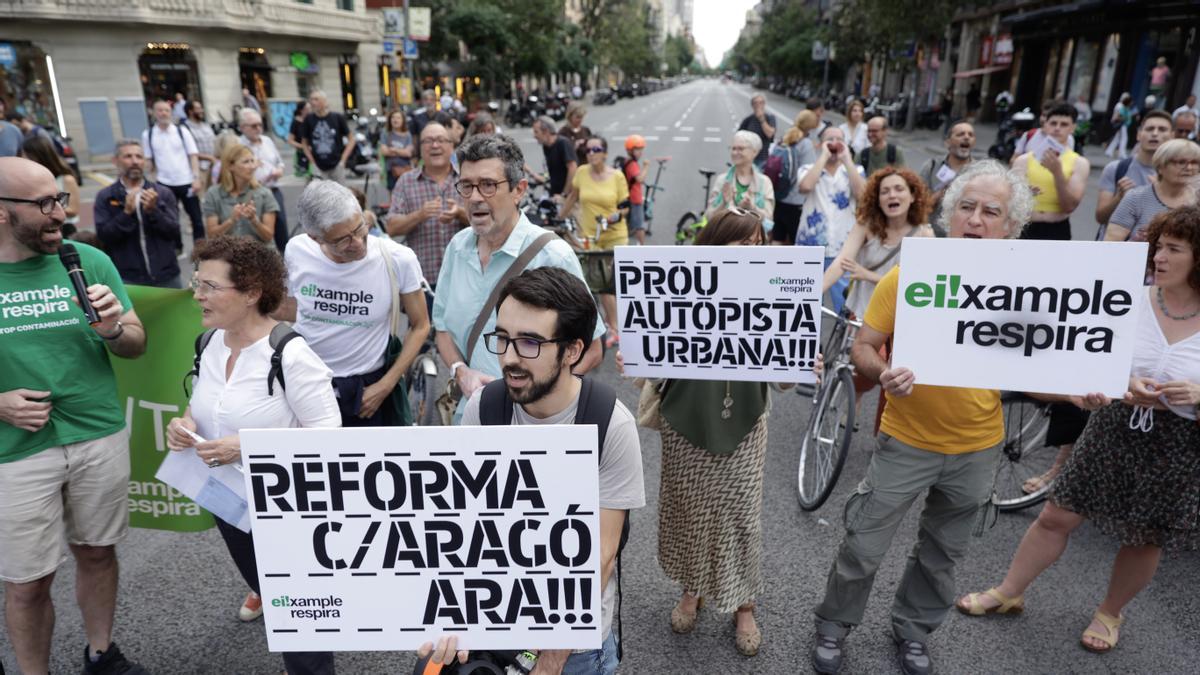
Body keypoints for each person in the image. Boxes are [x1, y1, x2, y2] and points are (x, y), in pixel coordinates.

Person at [809, 159, 1034, 675]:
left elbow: (1044, 367)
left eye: (991, 212)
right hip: (907, 439)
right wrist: (882, 371)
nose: (975, 220)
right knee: (864, 543)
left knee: (943, 552)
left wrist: (1079, 395)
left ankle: (913, 630)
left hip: (977, 447)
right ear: (951, 216)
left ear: (1011, 228)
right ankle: (834, 624)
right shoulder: (908, 277)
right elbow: (864, 347)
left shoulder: (1026, 291)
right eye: (967, 208)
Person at [956, 205, 1200, 654]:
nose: (1159, 257)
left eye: (1173, 249)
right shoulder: (1132, 297)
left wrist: (1196, 395)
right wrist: (1123, 382)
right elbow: (1093, 352)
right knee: (1057, 514)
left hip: (1179, 444)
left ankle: (1110, 612)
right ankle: (1008, 591)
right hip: (1113, 425)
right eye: (1158, 247)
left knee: (1145, 536)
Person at [430, 267, 645, 673]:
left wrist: (552, 655)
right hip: (495, 623)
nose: (509, 357)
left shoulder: (609, 425)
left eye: (529, 342)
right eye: (503, 338)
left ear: (572, 351)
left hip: (574, 647)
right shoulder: (485, 408)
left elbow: (601, 554)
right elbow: (464, 519)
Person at [0, 156, 148, 675]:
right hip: (14, 452)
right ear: (2, 212)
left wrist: (112, 329)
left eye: (60, 199)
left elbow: (134, 344)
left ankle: (101, 653)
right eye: (43, 204)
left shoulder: (84, 260)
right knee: (27, 582)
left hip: (97, 434)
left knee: (98, 551)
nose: (59, 212)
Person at [165, 235, 339, 674]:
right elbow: (206, 406)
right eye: (196, 282)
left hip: (289, 511)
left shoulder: (291, 355)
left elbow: (331, 439)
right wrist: (184, 425)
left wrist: (245, 445)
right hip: (229, 503)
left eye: (210, 286)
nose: (197, 294)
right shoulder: (209, 343)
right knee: (269, 591)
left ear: (252, 293)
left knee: (299, 621)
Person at [432, 133, 603, 423]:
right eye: (466, 185)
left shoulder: (553, 255)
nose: (474, 197)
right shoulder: (457, 247)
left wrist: (537, 407)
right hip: (470, 418)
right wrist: (461, 371)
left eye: (488, 185)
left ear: (518, 190)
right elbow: (442, 328)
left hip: (535, 425)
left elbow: (592, 349)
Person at [277, 180, 429, 429]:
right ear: (315, 238)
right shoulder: (297, 250)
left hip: (366, 392)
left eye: (360, 228)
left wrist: (385, 385)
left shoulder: (398, 258)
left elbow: (421, 325)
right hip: (304, 382)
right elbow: (295, 309)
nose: (357, 243)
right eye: (342, 240)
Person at [822, 166, 933, 322]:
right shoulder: (865, 225)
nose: (892, 195)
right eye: (884, 191)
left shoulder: (924, 235)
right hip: (862, 315)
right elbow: (842, 261)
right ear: (878, 201)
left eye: (899, 189)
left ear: (913, 196)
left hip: (898, 320)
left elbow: (921, 287)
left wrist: (868, 275)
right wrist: (814, 293)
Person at [557, 135, 629, 347]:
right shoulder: (581, 173)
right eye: (588, 150)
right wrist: (559, 218)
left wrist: (611, 218)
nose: (591, 154)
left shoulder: (617, 176)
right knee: (602, 282)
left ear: (605, 153)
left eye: (596, 149)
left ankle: (616, 326)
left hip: (615, 235)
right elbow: (573, 197)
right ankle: (613, 326)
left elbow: (625, 207)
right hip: (590, 236)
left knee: (611, 283)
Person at [796, 125, 867, 316]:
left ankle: (842, 342)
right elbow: (805, 186)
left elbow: (864, 195)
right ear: (820, 144)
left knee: (845, 304)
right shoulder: (808, 168)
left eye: (839, 139)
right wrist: (824, 157)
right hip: (810, 247)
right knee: (806, 302)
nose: (835, 143)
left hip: (843, 249)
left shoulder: (855, 170)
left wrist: (847, 159)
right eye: (830, 139)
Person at [385, 122, 467, 286]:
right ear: (420, 149)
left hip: (464, 278)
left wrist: (460, 214)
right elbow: (391, 228)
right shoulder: (406, 181)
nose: (434, 145)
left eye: (441, 140)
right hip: (422, 282)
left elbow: (491, 226)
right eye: (428, 141)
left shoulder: (467, 179)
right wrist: (420, 215)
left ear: (451, 146)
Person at [94, 139, 183, 287]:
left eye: (139, 157)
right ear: (115, 161)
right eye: (128, 156)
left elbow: (174, 231)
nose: (135, 161)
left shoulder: (162, 193)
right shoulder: (106, 196)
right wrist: (126, 213)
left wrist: (153, 211)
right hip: (129, 278)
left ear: (145, 162)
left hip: (167, 275)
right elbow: (104, 237)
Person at [1012, 102, 1090, 240]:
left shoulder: (1079, 163)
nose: (1057, 128)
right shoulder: (1023, 161)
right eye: (1053, 123)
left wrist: (1057, 173)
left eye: (1064, 124)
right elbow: (1010, 202)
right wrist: (1024, 193)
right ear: (1045, 125)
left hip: (1057, 228)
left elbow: (1069, 206)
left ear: (1073, 128)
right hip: (1025, 228)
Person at [1105, 139, 1200, 241]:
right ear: (1160, 167)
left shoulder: (1197, 200)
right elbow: (1111, 242)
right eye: (1181, 162)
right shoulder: (1136, 197)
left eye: (1194, 162)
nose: (1189, 167)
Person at [1096, 110, 1174, 227]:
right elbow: (1100, 218)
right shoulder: (1116, 168)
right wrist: (1119, 198)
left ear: (1172, 136)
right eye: (1149, 129)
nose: (1155, 133)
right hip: (1115, 243)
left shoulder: (1178, 175)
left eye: (1162, 129)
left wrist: (1161, 194)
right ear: (1138, 134)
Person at [142, 98, 205, 241]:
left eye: (167, 110)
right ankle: (177, 246)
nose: (164, 113)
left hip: (186, 180)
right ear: (154, 113)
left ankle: (201, 248)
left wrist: (196, 178)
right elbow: (148, 160)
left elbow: (193, 156)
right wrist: (149, 182)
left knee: (196, 218)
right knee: (171, 218)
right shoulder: (148, 134)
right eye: (160, 110)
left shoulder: (182, 131)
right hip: (164, 183)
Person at [201, 143, 279, 242]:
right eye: (246, 162)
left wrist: (254, 220)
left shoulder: (264, 193)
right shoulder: (213, 193)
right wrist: (231, 220)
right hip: (227, 255)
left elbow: (268, 237)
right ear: (230, 166)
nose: (252, 166)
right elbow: (212, 236)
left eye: (253, 161)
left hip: (258, 254)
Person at [238, 108, 290, 251]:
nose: (258, 128)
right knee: (255, 232)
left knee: (281, 229)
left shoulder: (267, 141)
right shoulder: (238, 145)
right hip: (251, 193)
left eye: (260, 124)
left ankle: (285, 263)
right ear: (243, 127)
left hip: (272, 190)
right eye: (254, 125)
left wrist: (279, 169)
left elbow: (279, 161)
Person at [771, 110, 819, 245]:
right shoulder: (806, 144)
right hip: (796, 201)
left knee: (777, 239)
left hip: (779, 196)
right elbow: (809, 172)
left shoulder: (785, 138)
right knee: (795, 242)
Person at [706, 130, 775, 224]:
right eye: (733, 148)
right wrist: (723, 203)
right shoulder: (722, 180)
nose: (735, 152)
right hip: (725, 236)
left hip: (752, 237)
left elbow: (768, 219)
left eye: (740, 149)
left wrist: (751, 208)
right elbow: (709, 217)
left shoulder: (764, 182)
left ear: (754, 152)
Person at [918, 121, 975, 235]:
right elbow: (917, 205)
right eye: (960, 134)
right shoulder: (931, 166)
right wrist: (941, 193)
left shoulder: (980, 171)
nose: (966, 137)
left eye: (970, 134)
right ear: (948, 142)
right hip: (933, 235)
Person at [21, 134, 81, 237]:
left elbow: (73, 210)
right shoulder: (27, 179)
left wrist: (43, 206)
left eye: (27, 156)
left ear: (39, 156)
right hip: (37, 230)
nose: (23, 159)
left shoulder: (66, 179)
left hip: (63, 229)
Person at [300, 90, 355, 183]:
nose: (312, 102)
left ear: (324, 102)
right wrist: (312, 161)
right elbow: (304, 143)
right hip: (318, 167)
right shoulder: (308, 119)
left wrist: (343, 160)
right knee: (320, 195)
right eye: (311, 99)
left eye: (316, 99)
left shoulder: (337, 117)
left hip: (337, 165)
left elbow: (351, 140)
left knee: (339, 195)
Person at [530, 116, 577, 199]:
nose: (534, 136)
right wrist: (544, 178)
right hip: (554, 194)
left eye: (536, 132)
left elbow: (572, 168)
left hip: (568, 198)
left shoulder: (563, 143)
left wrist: (564, 194)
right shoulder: (546, 146)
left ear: (546, 132)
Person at [623, 134, 651, 245]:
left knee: (629, 223)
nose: (640, 152)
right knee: (640, 225)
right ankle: (642, 249)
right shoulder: (632, 164)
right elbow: (639, 179)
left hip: (629, 196)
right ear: (630, 150)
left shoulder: (627, 161)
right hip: (635, 198)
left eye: (641, 149)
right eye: (637, 149)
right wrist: (646, 166)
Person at [183, 100, 217, 191]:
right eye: (198, 108)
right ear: (190, 111)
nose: (202, 110)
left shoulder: (206, 125)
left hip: (213, 167)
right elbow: (187, 151)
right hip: (199, 169)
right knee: (201, 198)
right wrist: (209, 157)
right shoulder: (185, 128)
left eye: (201, 108)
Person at [738, 93, 777, 168]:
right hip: (748, 157)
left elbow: (770, 134)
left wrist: (761, 119)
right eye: (755, 103)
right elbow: (739, 136)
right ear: (752, 105)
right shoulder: (748, 119)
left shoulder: (770, 118)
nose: (758, 105)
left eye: (761, 102)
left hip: (763, 157)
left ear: (764, 104)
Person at [380, 110, 414, 191]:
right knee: (392, 194)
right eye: (393, 117)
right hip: (391, 170)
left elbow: (408, 153)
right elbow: (384, 151)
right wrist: (401, 151)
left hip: (405, 169)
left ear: (403, 120)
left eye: (398, 118)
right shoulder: (385, 133)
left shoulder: (407, 134)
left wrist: (393, 149)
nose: (395, 120)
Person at [559, 101, 593, 167]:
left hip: (587, 168)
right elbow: (560, 154)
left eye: (582, 117)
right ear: (570, 116)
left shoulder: (586, 130)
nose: (580, 120)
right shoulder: (563, 132)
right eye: (577, 117)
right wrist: (574, 146)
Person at [1106, 93, 1135, 159]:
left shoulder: (1124, 107)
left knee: (1117, 138)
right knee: (1124, 139)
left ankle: (1109, 151)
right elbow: (1118, 116)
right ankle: (1121, 153)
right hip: (1122, 125)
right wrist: (1125, 118)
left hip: (1123, 125)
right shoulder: (1121, 107)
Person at [287, 101, 311, 176]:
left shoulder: (311, 119)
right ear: (301, 110)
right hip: (302, 154)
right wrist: (303, 147)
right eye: (307, 109)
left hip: (314, 153)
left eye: (310, 108)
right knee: (306, 177)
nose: (309, 110)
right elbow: (290, 141)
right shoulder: (296, 122)